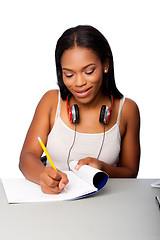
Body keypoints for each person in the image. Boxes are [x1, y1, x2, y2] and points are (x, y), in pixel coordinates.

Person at [19, 25, 140, 194]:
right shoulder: (50, 101)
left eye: (89, 71)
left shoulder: (128, 110)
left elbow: (130, 172)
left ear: (106, 64)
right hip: (55, 201)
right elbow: (27, 157)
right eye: (69, 74)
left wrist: (103, 168)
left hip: (105, 205)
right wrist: (42, 175)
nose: (79, 83)